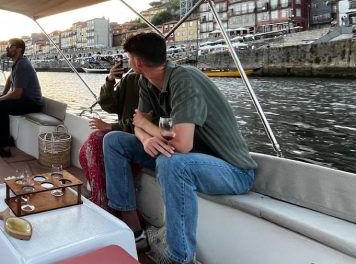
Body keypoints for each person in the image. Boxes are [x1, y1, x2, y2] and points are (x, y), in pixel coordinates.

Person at [104, 32, 257, 264]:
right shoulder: (146, 81)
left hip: (232, 170)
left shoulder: (184, 79)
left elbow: (182, 144)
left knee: (172, 162)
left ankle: (180, 258)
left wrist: (146, 126)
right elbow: (138, 125)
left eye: (128, 58)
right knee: (114, 141)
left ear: (137, 62)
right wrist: (145, 139)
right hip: (188, 156)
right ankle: (135, 233)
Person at [79, 55, 141, 211]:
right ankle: (99, 195)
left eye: (130, 57)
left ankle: (101, 201)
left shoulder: (154, 83)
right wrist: (110, 80)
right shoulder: (130, 79)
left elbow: (147, 122)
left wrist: (111, 126)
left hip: (141, 138)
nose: (129, 61)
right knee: (83, 151)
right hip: (125, 132)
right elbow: (110, 106)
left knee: (95, 138)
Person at [0, 38, 43, 157]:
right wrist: (2, 95)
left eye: (10, 46)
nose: (7, 48)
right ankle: (5, 139)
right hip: (23, 100)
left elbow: (17, 93)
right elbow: (10, 79)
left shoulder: (22, 65)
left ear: (19, 49)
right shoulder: (17, 62)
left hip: (32, 103)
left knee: (0, 105)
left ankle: (4, 148)